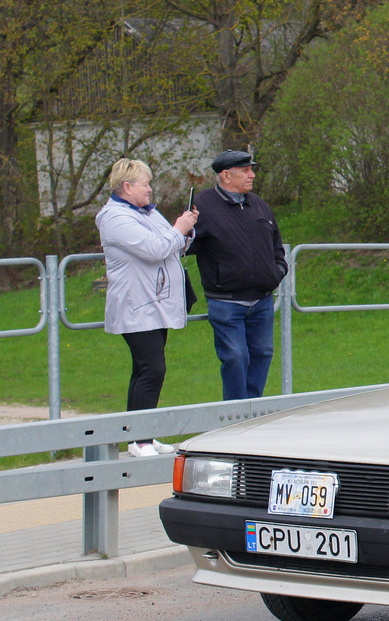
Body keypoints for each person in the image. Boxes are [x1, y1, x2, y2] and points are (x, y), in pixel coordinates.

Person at [96, 158, 198, 457]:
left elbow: (173, 244)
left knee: (145, 370)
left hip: (155, 303)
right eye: (145, 184)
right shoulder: (114, 218)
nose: (150, 189)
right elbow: (154, 249)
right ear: (127, 187)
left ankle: (143, 435)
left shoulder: (147, 213)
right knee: (152, 369)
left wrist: (186, 230)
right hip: (135, 305)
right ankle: (138, 440)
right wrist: (178, 228)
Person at [189, 149, 288, 400]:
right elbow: (186, 245)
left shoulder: (259, 205)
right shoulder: (203, 205)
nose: (252, 175)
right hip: (226, 301)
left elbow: (276, 243)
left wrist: (278, 270)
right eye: (245, 170)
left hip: (263, 299)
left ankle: (252, 413)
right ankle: (234, 414)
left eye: (251, 169)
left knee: (262, 354)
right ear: (225, 175)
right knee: (235, 357)